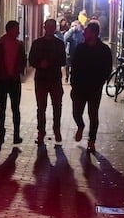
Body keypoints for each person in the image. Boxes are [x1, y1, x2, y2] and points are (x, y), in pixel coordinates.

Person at [69, 19, 114, 153]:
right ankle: (81, 126)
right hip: (79, 88)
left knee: (93, 115)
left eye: (86, 31)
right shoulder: (80, 48)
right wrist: (73, 82)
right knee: (76, 112)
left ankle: (91, 141)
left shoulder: (104, 50)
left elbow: (107, 69)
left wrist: (100, 81)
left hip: (94, 88)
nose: (84, 33)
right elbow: (74, 66)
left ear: (93, 33)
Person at [0, 20, 27, 144]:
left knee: (15, 108)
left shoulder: (19, 45)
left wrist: (17, 71)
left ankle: (16, 134)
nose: (18, 31)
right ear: (10, 30)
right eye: (17, 29)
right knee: (2, 108)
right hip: (2, 80)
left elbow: (23, 60)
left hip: (14, 80)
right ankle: (1, 132)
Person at [28, 17, 67, 144]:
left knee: (57, 106)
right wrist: (40, 64)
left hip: (55, 79)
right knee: (41, 108)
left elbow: (63, 61)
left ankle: (57, 130)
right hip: (41, 80)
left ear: (55, 28)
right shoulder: (37, 43)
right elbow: (31, 60)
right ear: (44, 27)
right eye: (48, 26)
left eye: (52, 26)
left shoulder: (59, 44)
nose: (50, 29)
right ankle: (41, 132)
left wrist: (49, 63)